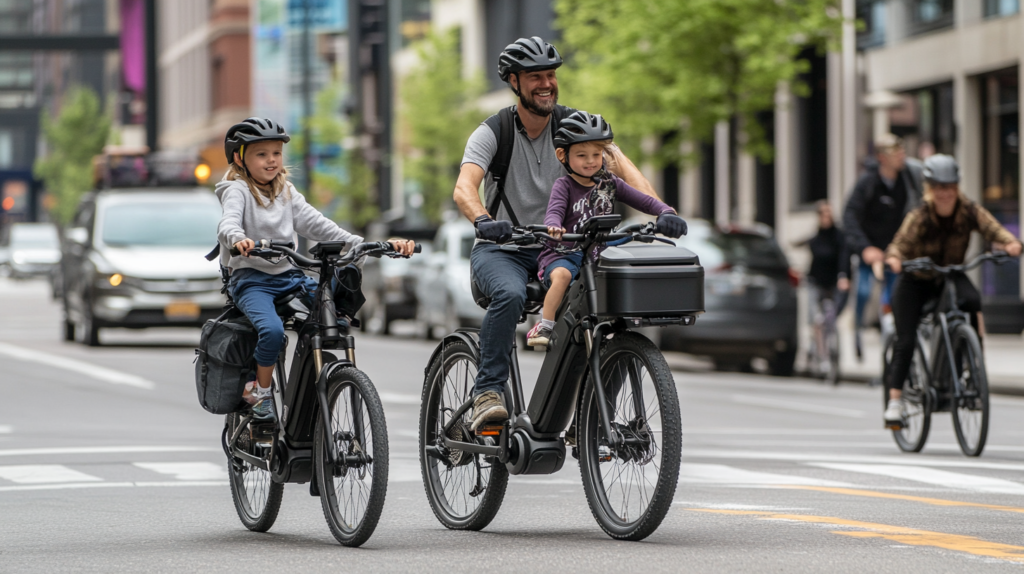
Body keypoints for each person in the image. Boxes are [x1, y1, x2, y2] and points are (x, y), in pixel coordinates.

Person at [454, 37, 662, 432]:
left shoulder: (576, 129)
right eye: (536, 77)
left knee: (611, 304)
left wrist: (661, 212)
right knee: (511, 294)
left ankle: (593, 417)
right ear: (514, 82)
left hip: (563, 249)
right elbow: (465, 187)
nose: (547, 83)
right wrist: (482, 219)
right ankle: (488, 392)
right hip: (504, 249)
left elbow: (624, 169)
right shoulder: (493, 131)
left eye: (551, 75)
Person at [216, 117, 415, 422]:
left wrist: (372, 245)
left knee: (332, 319)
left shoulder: (286, 192)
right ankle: (260, 393)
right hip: (252, 281)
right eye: (261, 154)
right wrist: (239, 239)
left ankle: (311, 388)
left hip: (290, 277)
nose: (271, 160)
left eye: (276, 153)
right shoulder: (238, 191)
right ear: (240, 158)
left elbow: (320, 226)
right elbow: (228, 222)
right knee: (271, 331)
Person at [881, 154, 1021, 427]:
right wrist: (895, 259)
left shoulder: (968, 210)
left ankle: (972, 366)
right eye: (939, 188)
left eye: (950, 187)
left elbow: (993, 228)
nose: (945, 193)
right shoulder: (920, 216)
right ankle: (895, 402)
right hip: (916, 280)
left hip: (950, 275)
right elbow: (899, 245)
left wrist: (1011, 243)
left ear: (957, 187)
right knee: (906, 340)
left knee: (973, 300)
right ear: (930, 189)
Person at [526, 111, 682, 348]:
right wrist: (554, 227)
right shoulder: (564, 185)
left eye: (596, 155)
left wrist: (666, 211)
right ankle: (544, 325)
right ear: (562, 155)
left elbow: (643, 200)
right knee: (562, 276)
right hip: (563, 254)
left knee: (619, 276)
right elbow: (554, 211)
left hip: (595, 254)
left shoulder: (610, 182)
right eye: (581, 155)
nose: (590, 161)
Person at [842, 134, 923, 359]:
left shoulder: (908, 179)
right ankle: (857, 331)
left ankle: (888, 345)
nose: (900, 157)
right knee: (864, 292)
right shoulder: (867, 183)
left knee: (894, 297)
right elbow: (849, 217)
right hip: (871, 250)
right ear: (881, 158)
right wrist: (865, 248)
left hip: (894, 251)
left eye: (901, 152)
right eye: (895, 153)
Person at [802, 200, 851, 373]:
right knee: (817, 319)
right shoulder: (815, 239)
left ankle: (834, 353)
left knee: (831, 318)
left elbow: (845, 257)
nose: (826, 217)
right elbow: (815, 262)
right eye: (823, 214)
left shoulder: (839, 237)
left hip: (834, 282)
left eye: (829, 213)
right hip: (816, 282)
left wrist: (844, 276)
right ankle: (821, 355)